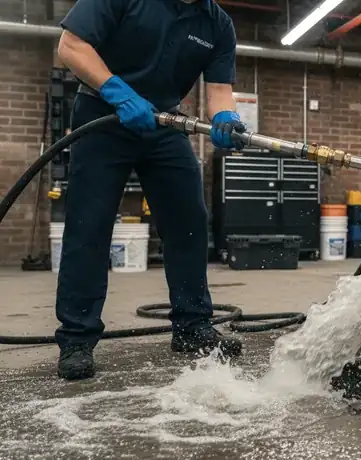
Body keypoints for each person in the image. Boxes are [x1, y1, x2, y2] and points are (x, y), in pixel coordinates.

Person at [54, 0, 247, 380]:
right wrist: (117, 91)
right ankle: (76, 338)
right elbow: (71, 45)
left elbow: (220, 88)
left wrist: (226, 116)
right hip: (103, 114)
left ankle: (192, 326)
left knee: (189, 221)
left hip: (165, 123)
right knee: (88, 225)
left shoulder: (217, 24)